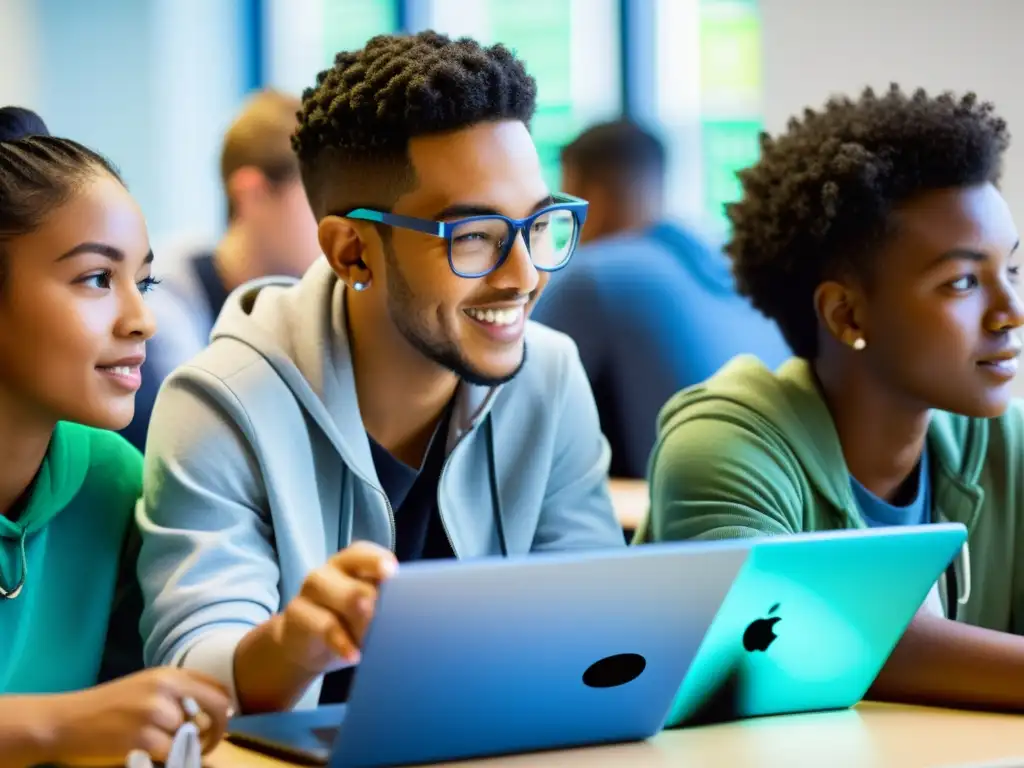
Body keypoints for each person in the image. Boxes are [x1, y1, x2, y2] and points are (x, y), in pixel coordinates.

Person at [136, 31, 624, 716]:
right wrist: (294, 644)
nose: (526, 275)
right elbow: (193, 674)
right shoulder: (218, 404)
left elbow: (602, 625)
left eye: (539, 224)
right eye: (475, 236)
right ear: (351, 252)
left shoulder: (547, 375)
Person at [644, 84, 1024, 710]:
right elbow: (789, 634)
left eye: (1009, 270)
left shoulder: (1003, 444)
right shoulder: (724, 441)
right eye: (962, 281)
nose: (1010, 311)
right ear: (846, 315)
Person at [0, 107, 232, 766]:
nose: (142, 320)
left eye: (144, 280)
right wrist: (55, 726)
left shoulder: (109, 477)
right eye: (98, 278)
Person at [532, 120, 790, 480]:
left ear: (591, 195)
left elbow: (509, 403)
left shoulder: (595, 275)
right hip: (785, 510)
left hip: (668, 521)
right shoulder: (731, 262)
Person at [119, 89, 321, 453]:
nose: (337, 224)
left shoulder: (314, 309)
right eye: (317, 199)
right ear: (252, 192)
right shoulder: (154, 312)